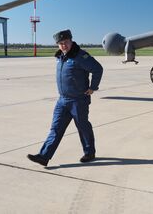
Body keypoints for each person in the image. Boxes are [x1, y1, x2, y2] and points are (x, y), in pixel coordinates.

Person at [27, 29, 103, 166]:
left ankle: (89, 152)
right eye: (60, 43)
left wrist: (93, 87)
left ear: (71, 41)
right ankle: (44, 156)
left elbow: (98, 69)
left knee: (83, 127)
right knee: (56, 128)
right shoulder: (60, 57)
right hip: (62, 100)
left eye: (66, 42)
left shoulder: (80, 56)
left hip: (78, 100)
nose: (64, 45)